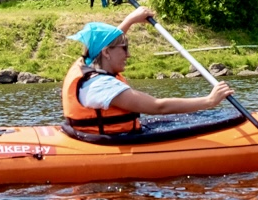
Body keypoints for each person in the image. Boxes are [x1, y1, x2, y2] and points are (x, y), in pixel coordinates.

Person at [62, 8, 235, 136]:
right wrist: (209, 101)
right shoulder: (102, 86)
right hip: (110, 142)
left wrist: (130, 20)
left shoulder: (85, 63)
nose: (128, 54)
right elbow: (158, 106)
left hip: (91, 133)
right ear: (106, 52)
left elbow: (106, 42)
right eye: (125, 49)